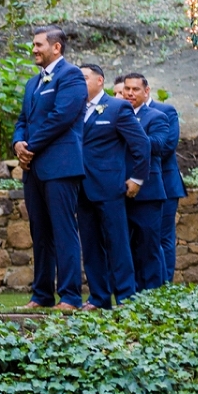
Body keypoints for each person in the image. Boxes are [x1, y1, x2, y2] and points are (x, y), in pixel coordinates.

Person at [13, 26, 87, 312]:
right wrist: (18, 141)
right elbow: (23, 119)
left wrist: (30, 146)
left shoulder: (71, 77)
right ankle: (41, 294)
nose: (34, 49)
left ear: (56, 48)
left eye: (38, 44)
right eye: (33, 44)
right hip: (33, 170)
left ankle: (69, 296)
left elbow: (61, 118)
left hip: (60, 167)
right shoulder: (33, 83)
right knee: (40, 232)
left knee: (64, 230)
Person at [77, 64, 150, 310]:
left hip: (109, 188)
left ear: (100, 80)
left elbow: (141, 145)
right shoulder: (74, 109)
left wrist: (137, 179)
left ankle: (125, 297)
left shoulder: (118, 107)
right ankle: (98, 298)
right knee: (90, 246)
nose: (80, 82)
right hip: (80, 187)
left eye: (84, 78)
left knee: (117, 244)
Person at [122, 72, 169, 290]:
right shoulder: (116, 113)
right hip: (119, 189)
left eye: (135, 89)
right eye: (127, 89)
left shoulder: (156, 116)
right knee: (126, 247)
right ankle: (130, 294)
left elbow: (159, 145)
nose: (130, 93)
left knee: (149, 246)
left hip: (148, 192)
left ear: (146, 91)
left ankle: (152, 295)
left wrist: (133, 136)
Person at [149, 95, 185, 283]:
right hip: (137, 184)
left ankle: (165, 284)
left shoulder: (166, 110)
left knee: (164, 237)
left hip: (166, 182)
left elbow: (168, 145)